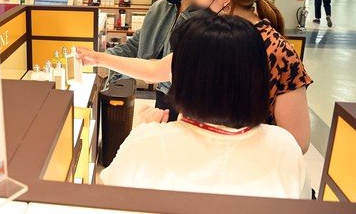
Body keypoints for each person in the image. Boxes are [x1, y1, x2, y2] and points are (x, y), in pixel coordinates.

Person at [78, 0, 313, 153]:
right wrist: (97, 58)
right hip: (211, 160)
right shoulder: (213, 37)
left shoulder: (276, 51)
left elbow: (297, 141)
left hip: (245, 168)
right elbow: (158, 70)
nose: (195, 5)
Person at [100, 13, 311, 199]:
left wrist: (146, 130)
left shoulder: (147, 143)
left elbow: (110, 198)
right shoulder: (286, 149)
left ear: (183, 78)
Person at [105, 0, 201, 120]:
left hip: (192, 106)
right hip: (163, 99)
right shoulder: (159, 9)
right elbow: (134, 47)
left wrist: (149, 69)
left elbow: (168, 71)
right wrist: (102, 60)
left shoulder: (205, 19)